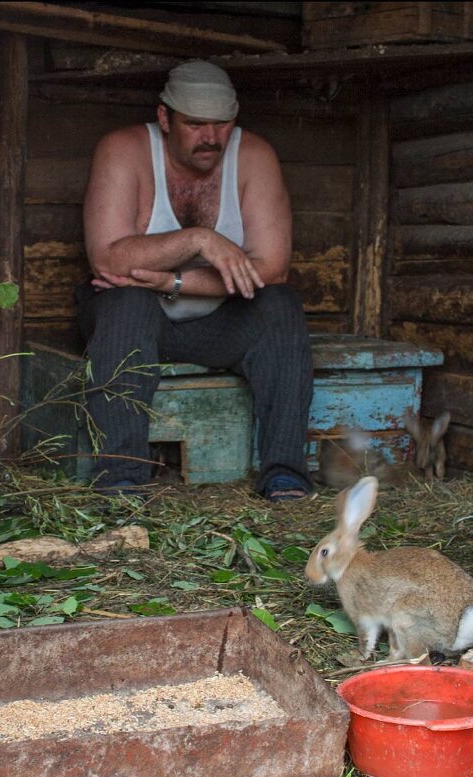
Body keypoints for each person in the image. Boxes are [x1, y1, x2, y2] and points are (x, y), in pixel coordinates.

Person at [77, 59, 314, 501]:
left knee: (280, 303)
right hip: (132, 324)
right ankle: (122, 478)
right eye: (196, 124)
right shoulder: (124, 149)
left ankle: (285, 475)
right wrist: (200, 240)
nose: (211, 138)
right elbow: (108, 258)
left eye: (222, 124)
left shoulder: (254, 156)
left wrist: (170, 281)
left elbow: (270, 269)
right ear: (165, 118)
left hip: (218, 323)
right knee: (126, 302)